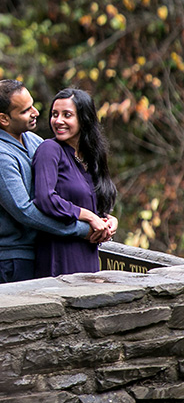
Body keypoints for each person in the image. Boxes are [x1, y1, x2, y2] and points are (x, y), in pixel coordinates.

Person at [0, 79, 113, 284]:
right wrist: (84, 229)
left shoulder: (32, 140)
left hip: (39, 251)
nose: (36, 112)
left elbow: (66, 189)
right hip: (11, 258)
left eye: (32, 105)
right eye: (25, 110)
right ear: (4, 119)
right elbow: (25, 211)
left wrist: (103, 219)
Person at [32, 88, 118, 276]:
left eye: (67, 115)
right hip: (59, 255)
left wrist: (107, 220)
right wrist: (89, 216)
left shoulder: (91, 157)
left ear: (84, 119)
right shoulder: (50, 150)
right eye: (54, 114)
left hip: (87, 253)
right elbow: (44, 198)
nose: (58, 120)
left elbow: (90, 199)